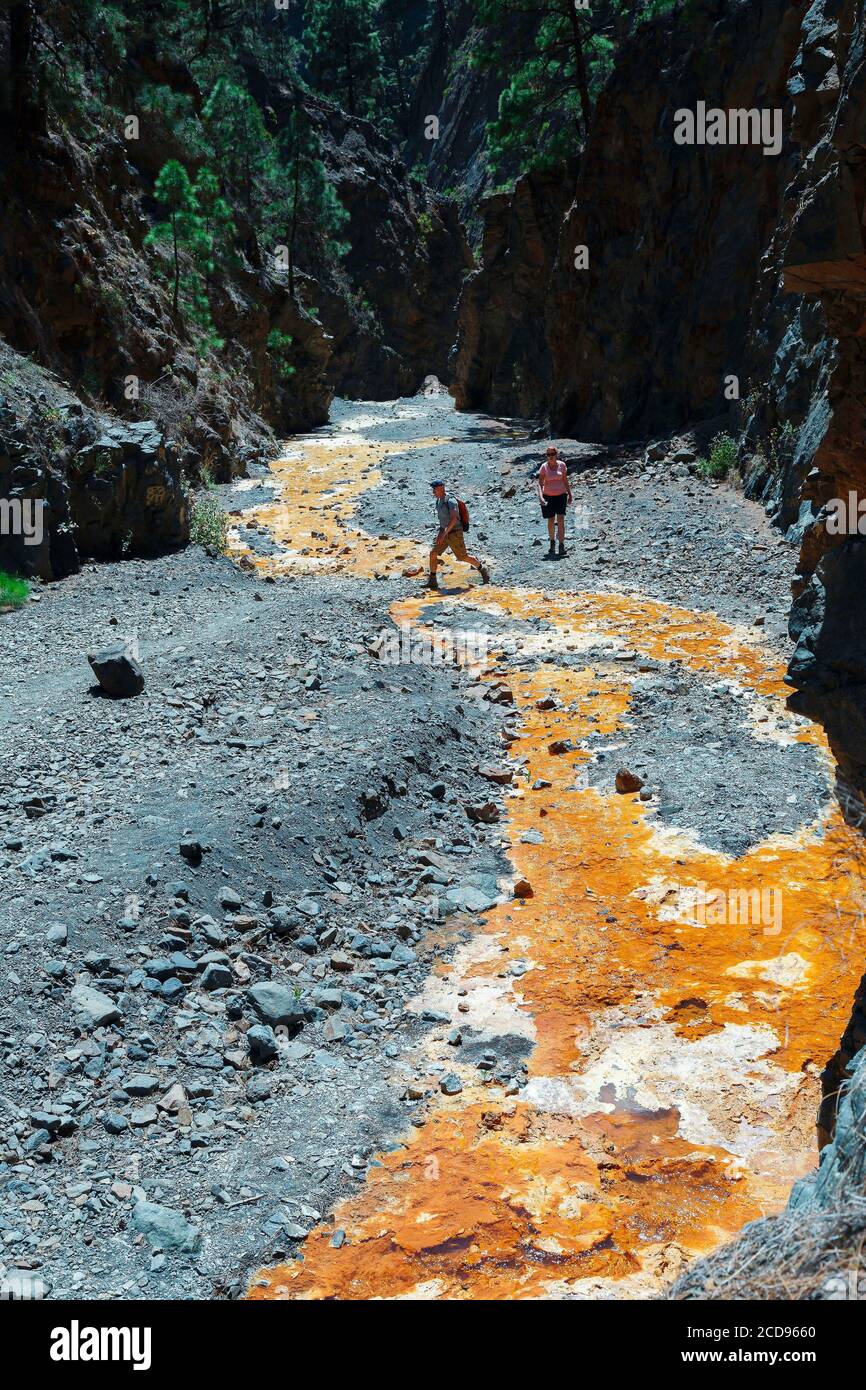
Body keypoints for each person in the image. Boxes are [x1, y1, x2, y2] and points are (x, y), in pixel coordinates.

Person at [428, 481, 490, 590]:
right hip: (444, 533)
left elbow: (454, 519)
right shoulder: (438, 501)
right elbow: (443, 521)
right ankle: (433, 581)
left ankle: (483, 570)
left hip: (455, 533)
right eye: (433, 489)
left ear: (442, 488)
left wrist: (444, 534)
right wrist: (440, 534)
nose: (433, 492)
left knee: (463, 557)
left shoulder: (451, 501)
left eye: (435, 489)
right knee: (433, 554)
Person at [537, 444, 572, 558]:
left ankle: (561, 545)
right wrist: (541, 497)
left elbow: (565, 480)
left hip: (561, 495)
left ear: (556, 454)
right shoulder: (544, 467)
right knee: (551, 520)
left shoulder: (562, 465)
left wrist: (570, 495)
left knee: (561, 519)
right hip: (548, 496)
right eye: (548, 454)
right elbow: (540, 483)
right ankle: (552, 542)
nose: (550, 456)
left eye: (552, 454)